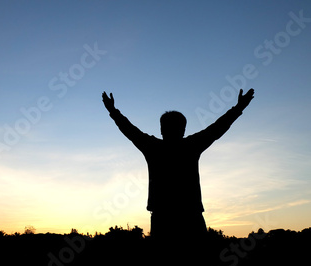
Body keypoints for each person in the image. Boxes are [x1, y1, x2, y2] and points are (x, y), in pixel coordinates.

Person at [102, 88, 255, 244]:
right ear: (183, 129)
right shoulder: (190, 146)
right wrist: (239, 108)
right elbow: (217, 128)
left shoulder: (153, 147)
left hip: (164, 218)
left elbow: (129, 130)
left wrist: (113, 111)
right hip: (189, 216)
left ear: (162, 129)